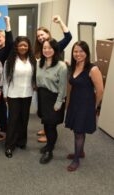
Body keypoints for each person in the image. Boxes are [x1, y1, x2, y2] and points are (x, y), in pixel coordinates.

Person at [65, 41, 103, 171]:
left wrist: (94, 107)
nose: (78, 54)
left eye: (81, 51)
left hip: (86, 105)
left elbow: (100, 90)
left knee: (78, 132)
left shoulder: (93, 69)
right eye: (75, 51)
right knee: (78, 129)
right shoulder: (74, 66)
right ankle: (80, 152)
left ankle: (76, 160)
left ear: (86, 53)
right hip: (75, 103)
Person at [34, 15, 72, 143]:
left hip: (55, 87)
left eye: (42, 34)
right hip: (44, 88)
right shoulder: (40, 51)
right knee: (45, 113)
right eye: (38, 36)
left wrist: (60, 22)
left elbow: (68, 37)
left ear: (48, 34)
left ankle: (49, 133)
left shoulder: (56, 45)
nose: (40, 37)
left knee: (52, 115)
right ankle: (46, 129)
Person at [3, 36, 36, 158]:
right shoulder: (10, 61)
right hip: (13, 94)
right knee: (13, 120)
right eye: (20, 45)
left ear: (29, 47)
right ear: (16, 47)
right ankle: (9, 146)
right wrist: (5, 95)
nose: (23, 47)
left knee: (24, 119)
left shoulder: (32, 60)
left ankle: (21, 141)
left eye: (25, 45)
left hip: (27, 94)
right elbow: (5, 80)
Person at [36, 38, 67, 164]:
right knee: (45, 123)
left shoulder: (62, 66)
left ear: (55, 49)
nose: (47, 50)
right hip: (43, 96)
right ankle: (49, 144)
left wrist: (59, 103)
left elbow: (63, 87)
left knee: (51, 126)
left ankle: (50, 150)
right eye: (44, 48)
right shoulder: (39, 63)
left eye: (50, 48)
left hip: (54, 97)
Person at [0, 16, 14, 141]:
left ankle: (5, 131)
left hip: (5, 84)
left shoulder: (8, 48)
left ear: (4, 37)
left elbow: (11, 41)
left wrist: (7, 24)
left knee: (1, 107)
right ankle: (3, 125)